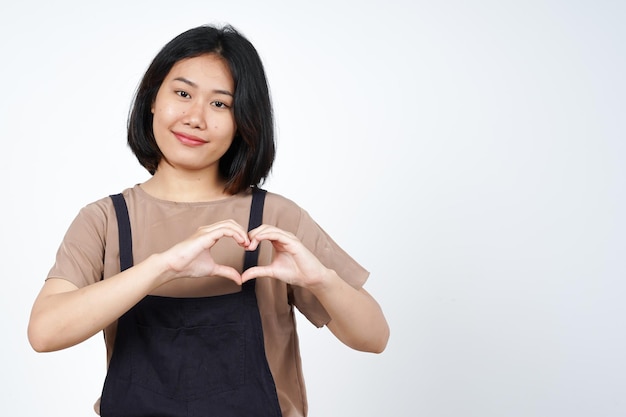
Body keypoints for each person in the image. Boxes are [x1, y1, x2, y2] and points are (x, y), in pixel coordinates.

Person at [27, 24, 389, 417]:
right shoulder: (105, 220)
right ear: (152, 99)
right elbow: (44, 332)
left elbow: (374, 338)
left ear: (243, 122)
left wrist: (323, 280)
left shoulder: (274, 219)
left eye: (221, 104)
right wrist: (163, 266)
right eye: (182, 94)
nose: (196, 117)